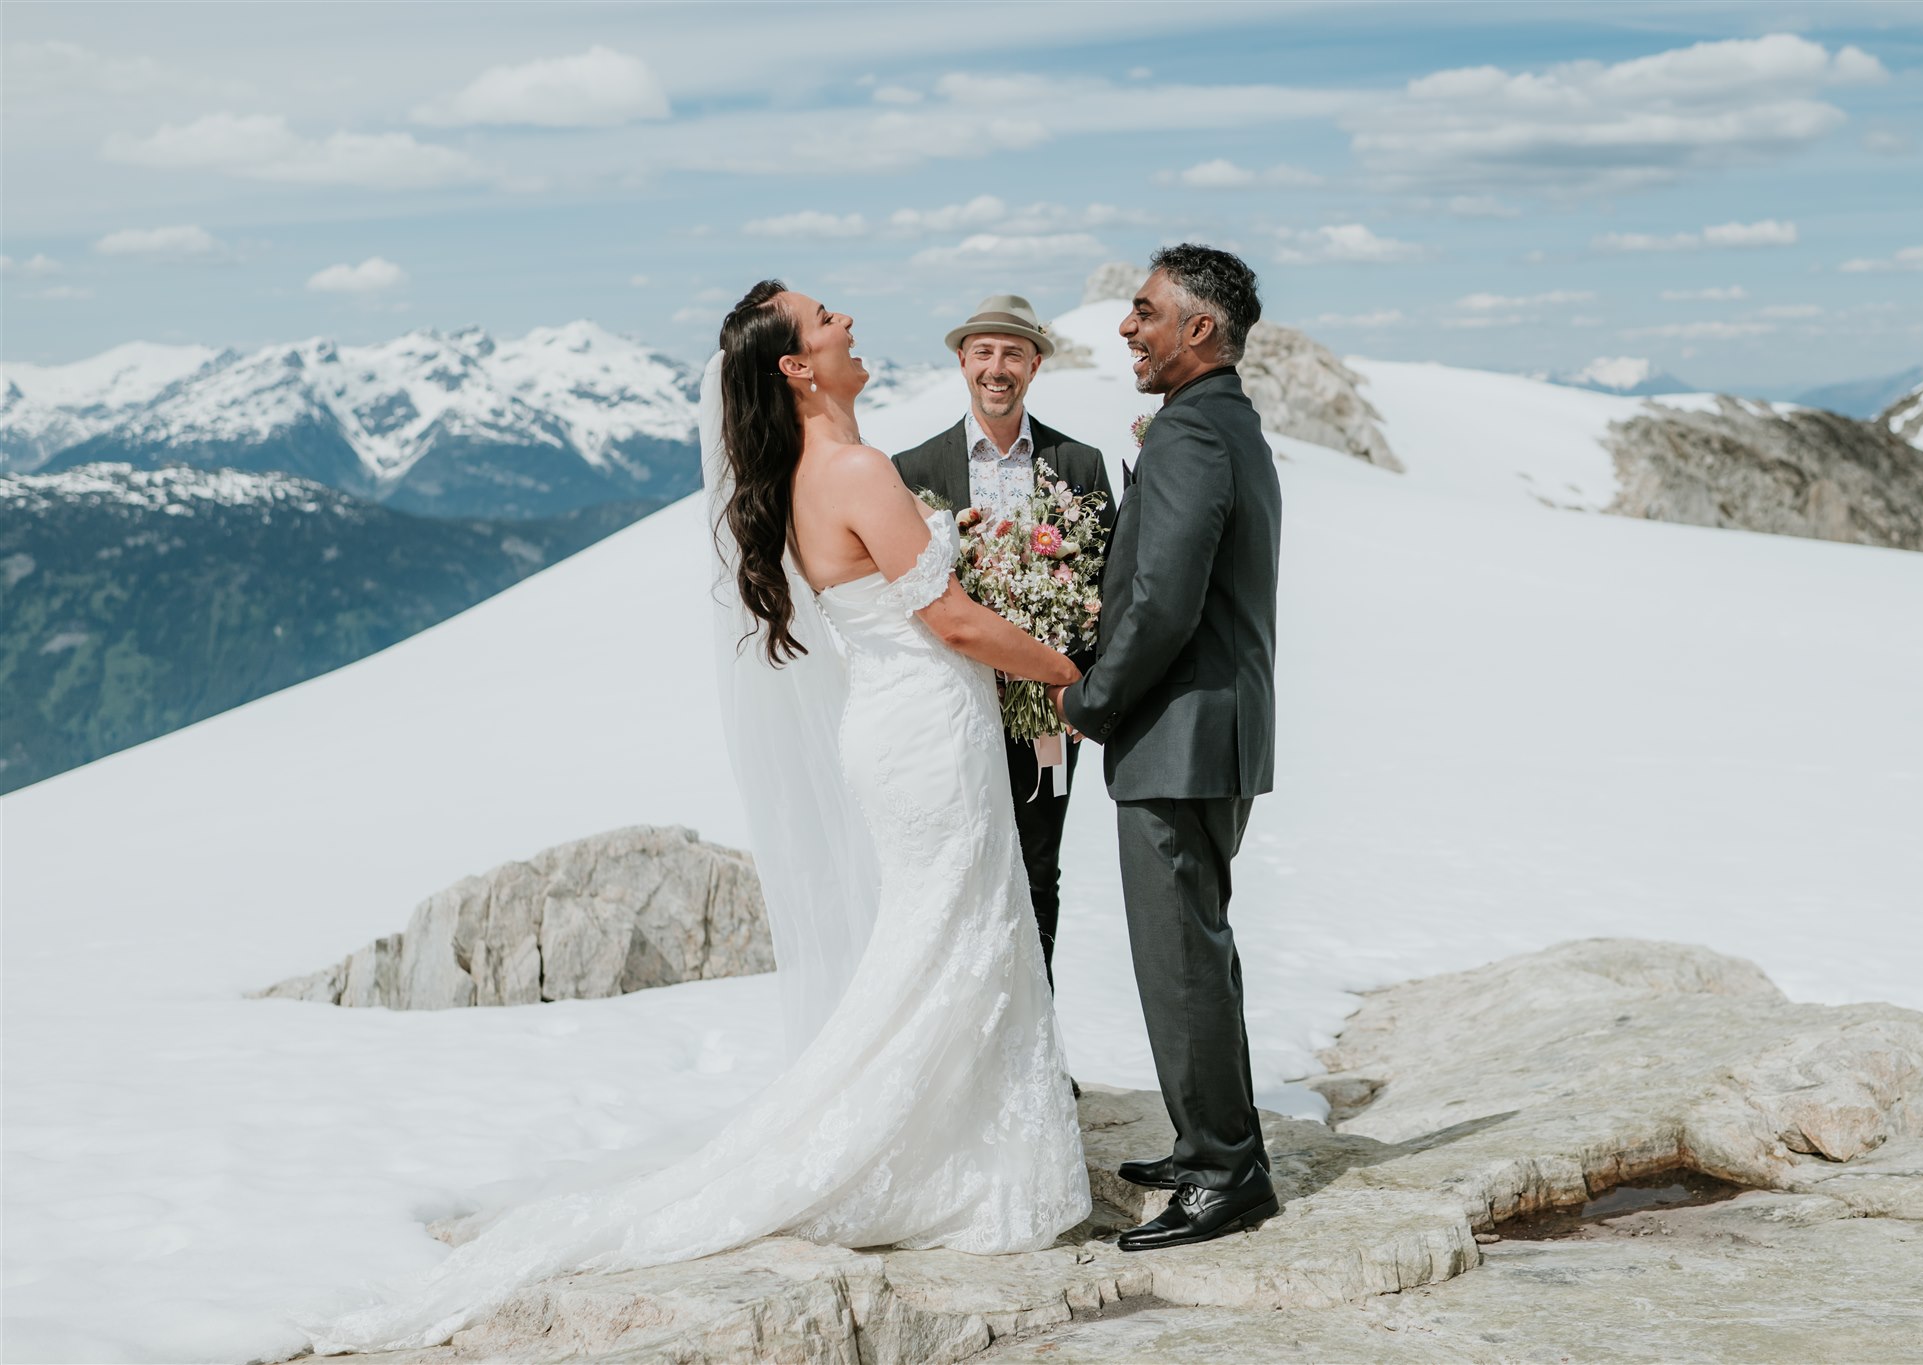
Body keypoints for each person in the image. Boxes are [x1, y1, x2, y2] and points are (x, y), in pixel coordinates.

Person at [297, 281, 1092, 1354]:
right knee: (948, 932)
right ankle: (919, 1148)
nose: (847, 321)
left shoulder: (828, 469)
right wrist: (1070, 673)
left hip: (906, 727)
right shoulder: (855, 469)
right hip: (923, 738)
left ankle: (954, 1128)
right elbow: (949, 615)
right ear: (798, 370)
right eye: (825, 321)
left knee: (950, 930)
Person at [1054, 244, 1284, 1253]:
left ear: (1198, 330)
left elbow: (1162, 601)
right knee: (1196, 946)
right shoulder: (1221, 421)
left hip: (1182, 734)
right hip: (1207, 731)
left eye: (1142, 310)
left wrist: (1091, 701)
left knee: (1179, 955)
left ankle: (1226, 1176)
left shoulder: (1193, 433)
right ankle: (1209, 1148)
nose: (1124, 326)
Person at [892, 293, 1115, 990]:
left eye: (1013, 353)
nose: (998, 367)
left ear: (1035, 365)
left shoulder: (1079, 464)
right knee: (958, 874)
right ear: (962, 360)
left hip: (1046, 710)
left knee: (1038, 875)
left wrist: (1080, 686)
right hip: (952, 711)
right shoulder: (912, 470)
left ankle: (1035, 1048)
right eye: (984, 352)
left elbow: (1105, 586)